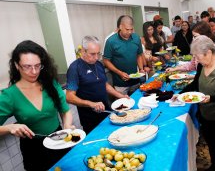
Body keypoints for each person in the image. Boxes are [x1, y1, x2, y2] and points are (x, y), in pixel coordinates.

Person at [0, 40, 74, 171]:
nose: (34, 71)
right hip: (33, 150)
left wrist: (67, 126)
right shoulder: (9, 95)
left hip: (59, 139)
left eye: (38, 65)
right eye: (27, 66)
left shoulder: (50, 84)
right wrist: (9, 127)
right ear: (17, 65)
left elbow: (65, 111)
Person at [173, 35, 215, 171]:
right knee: (211, 143)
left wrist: (213, 98)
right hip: (206, 115)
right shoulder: (202, 66)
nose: (197, 60)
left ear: (209, 52)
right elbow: (195, 84)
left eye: (198, 57)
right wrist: (180, 94)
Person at [66, 36, 128, 134]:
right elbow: (69, 97)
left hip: (107, 112)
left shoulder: (98, 64)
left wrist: (121, 96)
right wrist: (91, 104)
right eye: (92, 54)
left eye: (98, 54)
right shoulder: (75, 68)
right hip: (90, 119)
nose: (96, 57)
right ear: (83, 51)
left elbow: (105, 85)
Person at [103, 15, 145, 95]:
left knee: (136, 102)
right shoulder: (111, 41)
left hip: (135, 80)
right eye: (127, 29)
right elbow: (106, 61)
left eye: (131, 29)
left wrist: (141, 68)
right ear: (120, 27)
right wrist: (119, 72)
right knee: (123, 105)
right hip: (120, 83)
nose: (129, 32)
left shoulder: (136, 38)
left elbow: (139, 55)